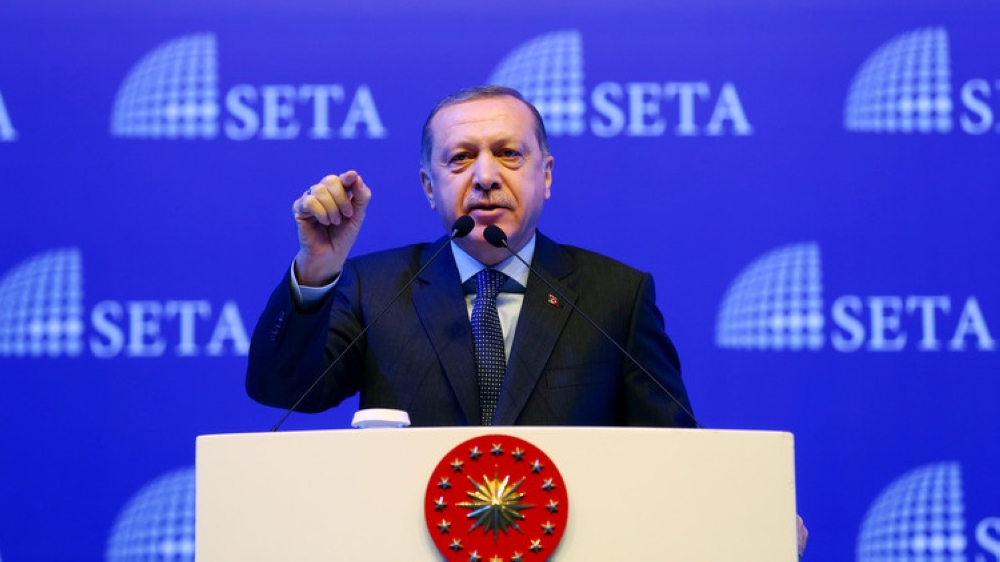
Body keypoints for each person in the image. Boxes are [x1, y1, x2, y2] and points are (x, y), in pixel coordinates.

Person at [245, 85, 695, 427]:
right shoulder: (375, 288)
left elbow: (674, 448)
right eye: (460, 158)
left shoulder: (616, 296)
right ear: (429, 187)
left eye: (508, 154)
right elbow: (281, 389)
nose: (485, 177)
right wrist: (317, 266)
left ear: (546, 175)